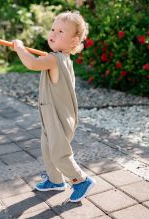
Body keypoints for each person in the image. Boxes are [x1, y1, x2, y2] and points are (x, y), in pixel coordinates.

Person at [11, 11, 95, 203]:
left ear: (73, 42)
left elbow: (32, 63)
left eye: (61, 32)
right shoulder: (61, 58)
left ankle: (81, 180)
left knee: (59, 154)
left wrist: (20, 48)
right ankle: (55, 180)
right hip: (52, 115)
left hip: (58, 117)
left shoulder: (55, 59)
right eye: (53, 29)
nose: (54, 34)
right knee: (48, 150)